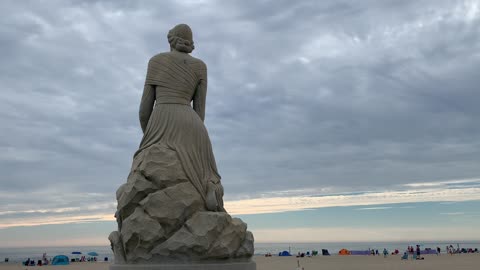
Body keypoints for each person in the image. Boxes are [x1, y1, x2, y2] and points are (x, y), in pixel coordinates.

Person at [135, 23, 224, 212]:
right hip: (191, 121)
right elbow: (199, 110)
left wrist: (149, 138)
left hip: (162, 115)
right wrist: (194, 134)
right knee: (204, 169)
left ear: (171, 41)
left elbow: (144, 109)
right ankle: (209, 191)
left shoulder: (157, 61)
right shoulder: (200, 66)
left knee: (147, 165)